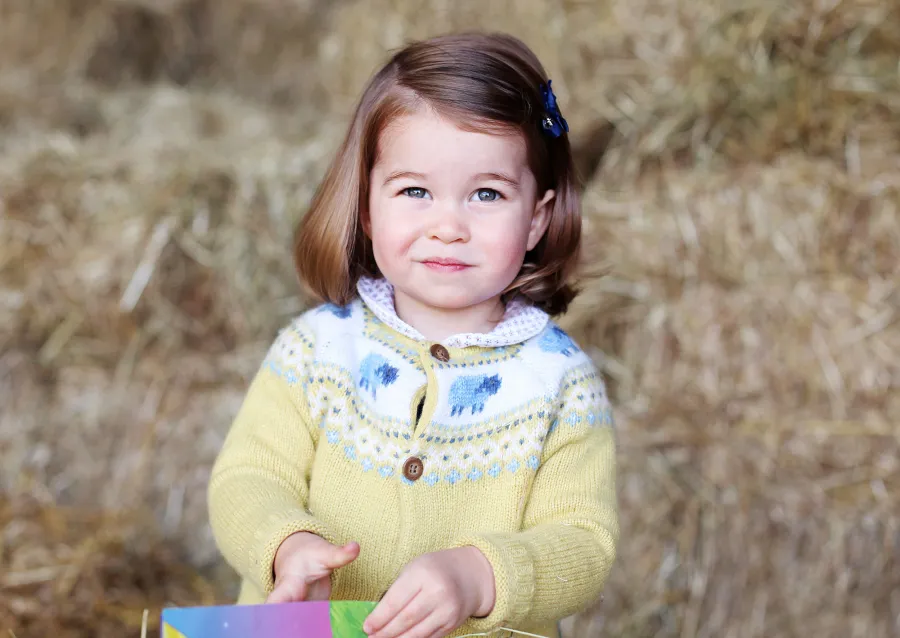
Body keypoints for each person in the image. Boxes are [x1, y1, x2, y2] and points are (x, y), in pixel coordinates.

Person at [207, 31, 619, 638]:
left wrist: (480, 575)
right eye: (415, 191)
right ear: (368, 208)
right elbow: (247, 477)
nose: (448, 226)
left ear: (536, 217)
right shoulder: (317, 350)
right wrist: (285, 545)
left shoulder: (559, 383)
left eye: (486, 194)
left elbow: (584, 541)